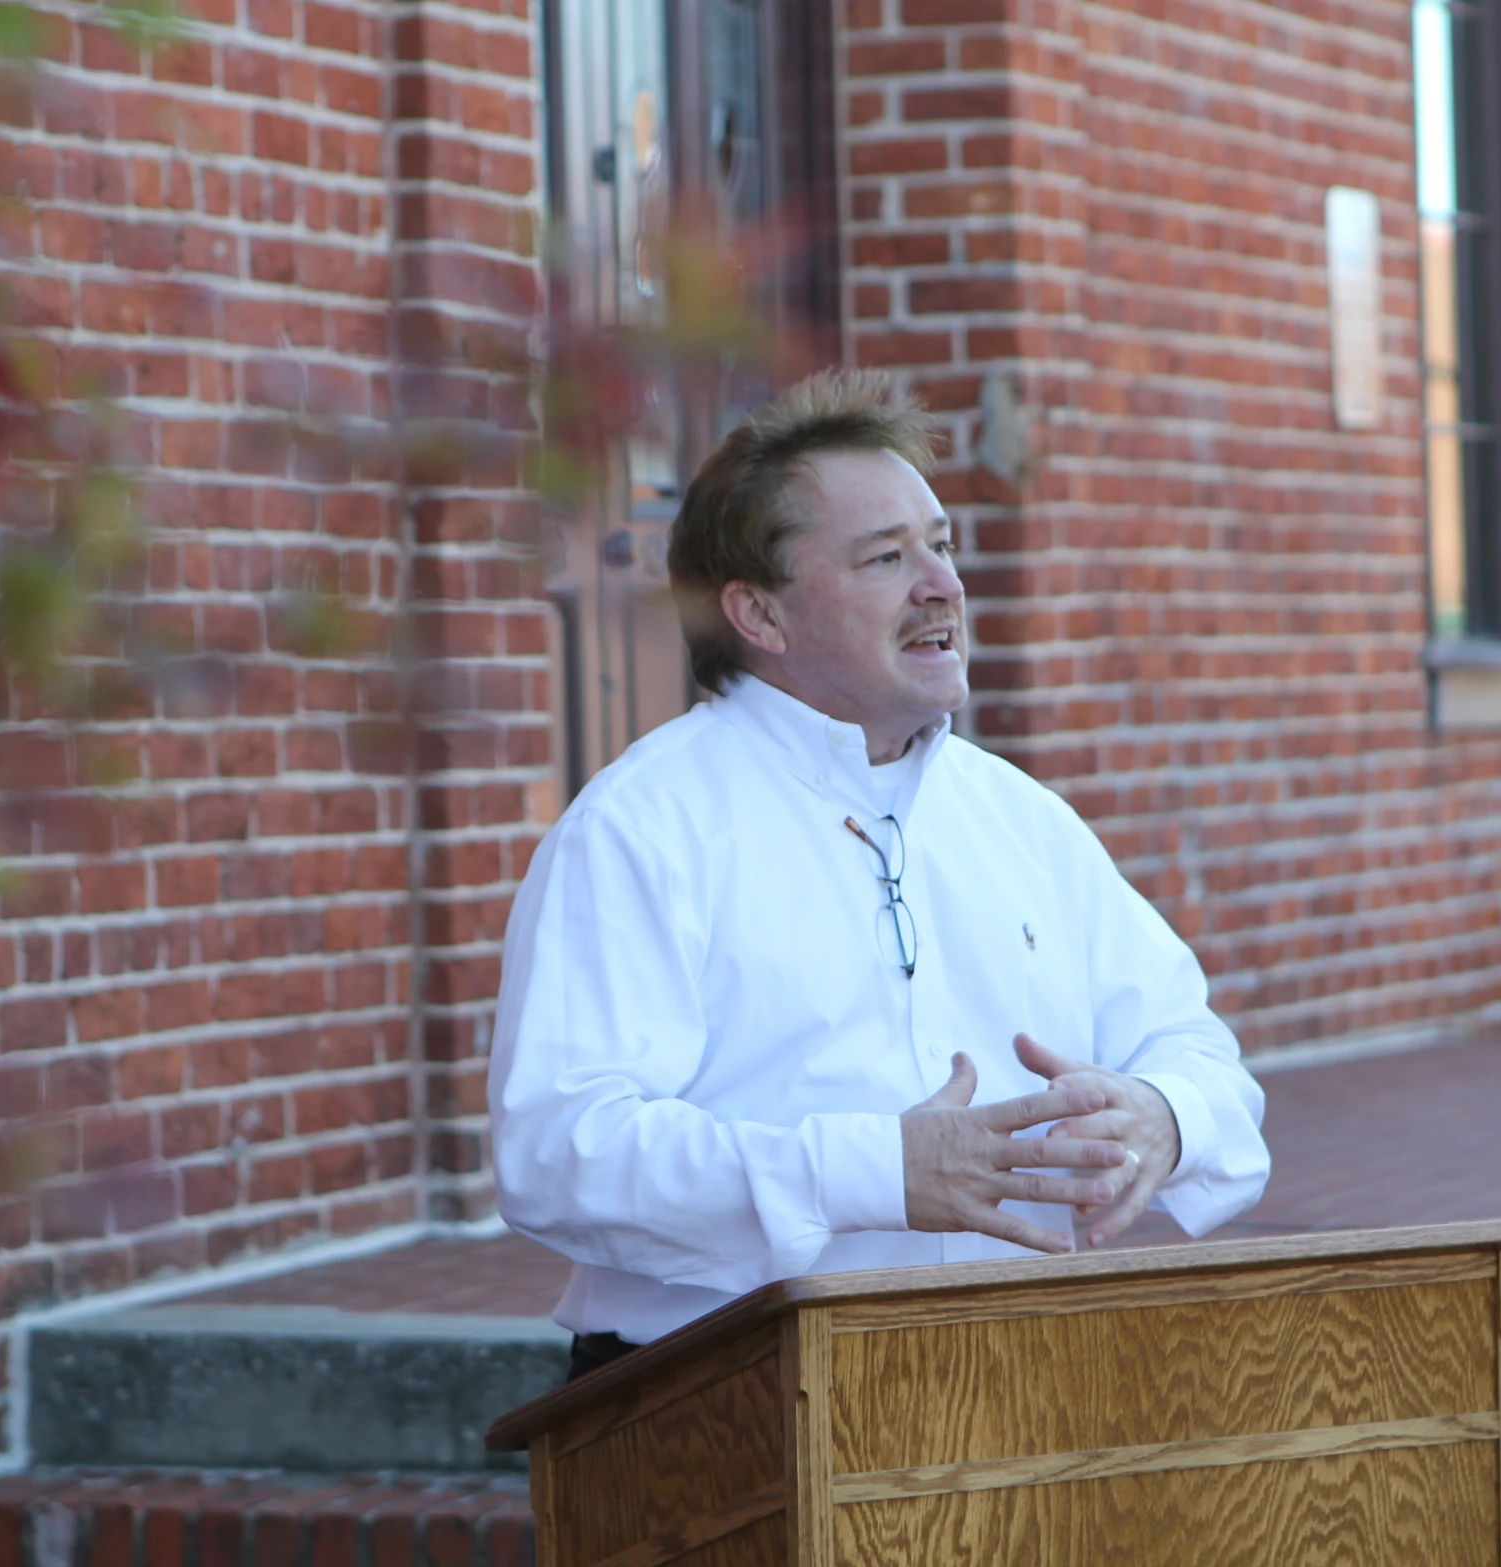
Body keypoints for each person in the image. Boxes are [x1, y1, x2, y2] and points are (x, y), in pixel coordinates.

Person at [490, 370, 1269, 1380]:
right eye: (886, 557)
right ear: (760, 615)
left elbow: (1202, 1058)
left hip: (1022, 1384)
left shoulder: (1022, 819)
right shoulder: (641, 830)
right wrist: (872, 1172)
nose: (941, 583)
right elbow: (560, 1155)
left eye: (940, 545)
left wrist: (1162, 1120)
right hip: (727, 1400)